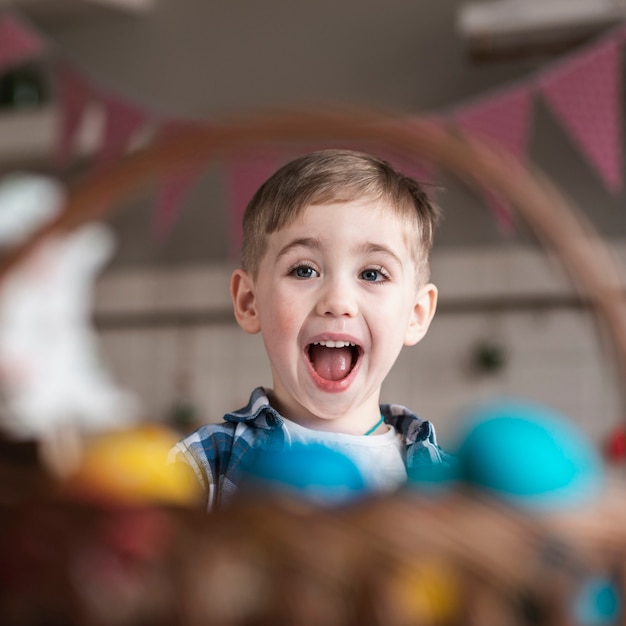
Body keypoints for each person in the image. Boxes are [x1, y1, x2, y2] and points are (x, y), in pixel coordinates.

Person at [169, 148, 453, 510]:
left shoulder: (449, 486)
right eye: (304, 270)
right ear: (249, 302)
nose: (337, 301)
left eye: (372, 274)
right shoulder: (201, 467)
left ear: (415, 314)